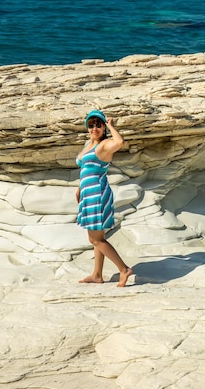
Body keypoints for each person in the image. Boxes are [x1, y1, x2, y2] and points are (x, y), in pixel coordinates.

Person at [75, 109, 133, 287]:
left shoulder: (104, 144)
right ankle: (97, 274)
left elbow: (120, 142)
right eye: (91, 125)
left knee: (95, 239)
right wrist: (79, 189)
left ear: (103, 127)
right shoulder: (89, 145)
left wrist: (110, 126)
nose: (94, 128)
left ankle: (124, 269)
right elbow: (88, 169)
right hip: (88, 193)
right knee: (97, 234)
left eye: (98, 125)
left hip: (98, 193)